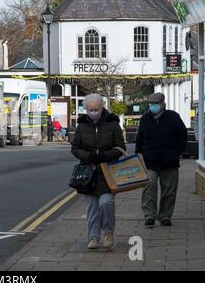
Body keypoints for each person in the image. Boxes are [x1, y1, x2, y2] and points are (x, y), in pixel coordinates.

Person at [71, 93, 126, 250]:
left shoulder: (113, 123)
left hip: (108, 171)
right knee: (92, 208)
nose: (93, 112)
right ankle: (93, 237)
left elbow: (120, 147)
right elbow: (75, 148)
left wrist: (104, 156)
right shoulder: (81, 125)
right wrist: (88, 156)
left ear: (102, 107)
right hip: (88, 173)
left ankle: (108, 233)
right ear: (86, 109)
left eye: (96, 109)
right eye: (90, 109)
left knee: (106, 202)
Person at [136, 93, 187, 228]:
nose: (152, 107)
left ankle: (165, 215)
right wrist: (139, 155)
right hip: (150, 161)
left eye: (155, 104)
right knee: (149, 188)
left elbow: (182, 135)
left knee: (169, 191)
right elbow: (140, 139)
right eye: (151, 104)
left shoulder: (173, 117)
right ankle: (149, 215)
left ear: (163, 104)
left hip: (169, 161)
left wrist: (176, 152)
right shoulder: (145, 119)